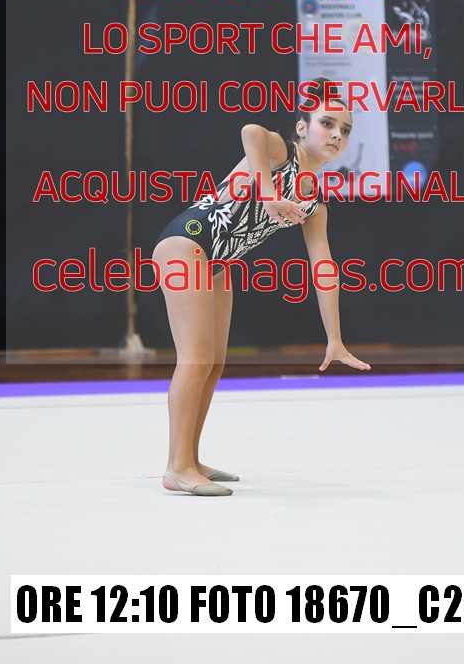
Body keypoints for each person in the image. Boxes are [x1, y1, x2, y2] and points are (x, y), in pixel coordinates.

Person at [152, 78, 371, 497]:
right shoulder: (281, 152)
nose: (337, 135)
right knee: (195, 359)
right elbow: (250, 131)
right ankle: (176, 467)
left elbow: (324, 267)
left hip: (218, 262)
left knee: (214, 363)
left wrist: (335, 338)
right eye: (327, 123)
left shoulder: (314, 201)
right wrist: (268, 193)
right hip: (187, 243)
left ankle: (190, 458)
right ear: (303, 127)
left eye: (345, 130)